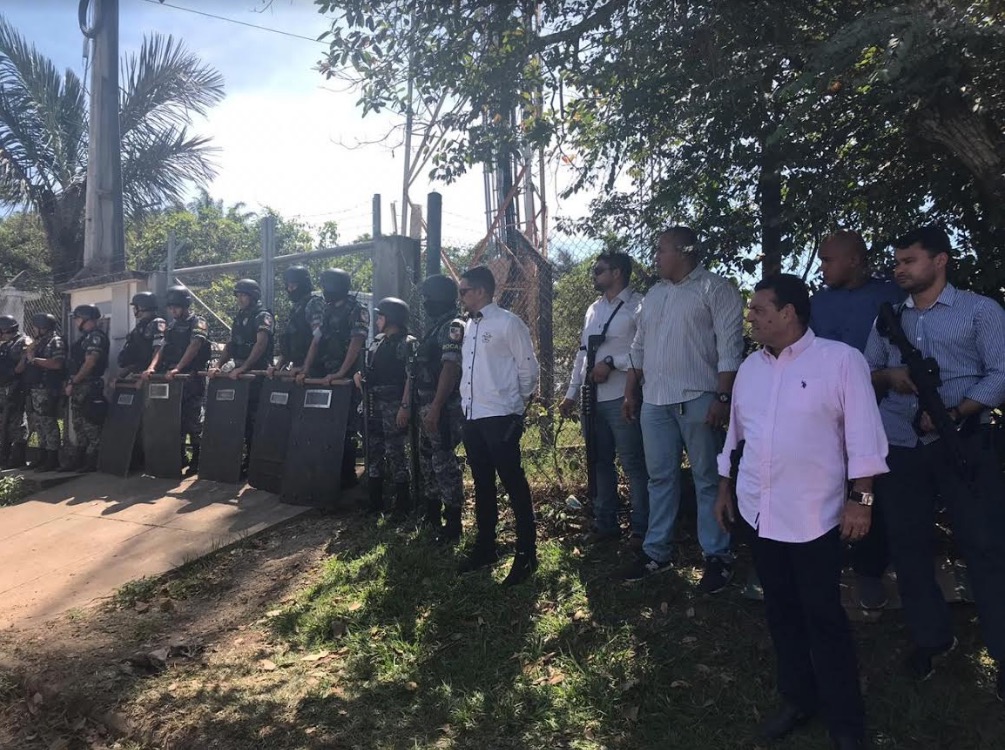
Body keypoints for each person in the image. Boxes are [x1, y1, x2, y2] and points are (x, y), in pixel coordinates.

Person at [715, 274, 887, 750]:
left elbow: (864, 438)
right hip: (759, 512)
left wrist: (861, 500)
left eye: (758, 309)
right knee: (780, 611)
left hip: (815, 516)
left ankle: (846, 722)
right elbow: (735, 437)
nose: (750, 316)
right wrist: (725, 488)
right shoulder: (751, 368)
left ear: (788, 312)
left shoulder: (841, 361)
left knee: (824, 616)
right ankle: (797, 698)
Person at [864, 226, 1005, 700]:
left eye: (909, 261)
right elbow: (865, 372)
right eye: (897, 261)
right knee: (908, 546)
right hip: (902, 444)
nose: (899, 269)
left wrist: (957, 410)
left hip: (964, 441)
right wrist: (891, 375)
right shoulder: (889, 318)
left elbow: (1002, 372)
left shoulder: (980, 311)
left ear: (940, 260)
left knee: (985, 545)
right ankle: (932, 639)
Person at [622, 226, 744, 592]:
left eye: (661, 250)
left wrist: (723, 398)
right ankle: (657, 552)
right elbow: (639, 347)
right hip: (655, 400)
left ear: (684, 251)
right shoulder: (654, 295)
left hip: (700, 398)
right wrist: (630, 392)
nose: (655, 257)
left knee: (708, 478)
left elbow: (730, 349)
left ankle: (718, 556)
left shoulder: (716, 289)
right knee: (660, 478)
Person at [810, 230, 906, 610]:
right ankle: (823, 564)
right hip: (823, 413)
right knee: (824, 487)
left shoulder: (891, 297)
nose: (822, 268)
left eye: (828, 260)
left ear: (853, 260)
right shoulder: (816, 304)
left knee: (871, 490)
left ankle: (869, 572)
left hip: (882, 411)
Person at [559, 251, 649, 548]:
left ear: (617, 272)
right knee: (599, 462)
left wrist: (612, 363)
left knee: (633, 463)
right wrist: (571, 394)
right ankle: (605, 523)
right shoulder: (593, 309)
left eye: (599, 270)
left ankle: (641, 529)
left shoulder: (639, 305)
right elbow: (583, 354)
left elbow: (645, 351)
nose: (594, 275)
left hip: (623, 396)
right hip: (592, 398)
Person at [458, 265, 540, 586]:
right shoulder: (468, 326)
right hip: (473, 415)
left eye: (464, 290)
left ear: (480, 291)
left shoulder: (508, 323)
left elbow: (528, 369)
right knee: (482, 482)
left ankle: (526, 553)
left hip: (500, 416)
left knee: (513, 482)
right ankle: (486, 546)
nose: (461, 296)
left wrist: (514, 406)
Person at [300, 268, 369, 487]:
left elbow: (356, 344)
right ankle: (327, 474)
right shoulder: (327, 310)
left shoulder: (356, 310)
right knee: (323, 424)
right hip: (326, 374)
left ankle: (348, 476)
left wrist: (341, 372)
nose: (324, 290)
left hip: (346, 378)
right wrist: (306, 368)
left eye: (327, 285)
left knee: (346, 426)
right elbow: (316, 341)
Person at [411, 274, 465, 543]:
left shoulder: (453, 326)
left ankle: (453, 522)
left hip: (441, 406)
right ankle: (432, 514)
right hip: (426, 403)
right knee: (427, 459)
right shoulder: (435, 327)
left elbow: (450, 368)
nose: (425, 303)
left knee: (443, 461)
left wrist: (436, 407)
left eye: (428, 298)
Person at [208, 278, 275, 475]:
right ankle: (237, 459)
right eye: (238, 295)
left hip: (256, 373)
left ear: (253, 296)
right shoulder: (240, 316)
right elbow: (231, 344)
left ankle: (255, 462)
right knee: (238, 417)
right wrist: (218, 365)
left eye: (243, 295)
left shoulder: (262, 315)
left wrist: (244, 367)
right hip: (239, 373)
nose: (239, 299)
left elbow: (261, 344)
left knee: (255, 419)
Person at [357, 297, 415, 517]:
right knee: (373, 450)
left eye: (381, 316)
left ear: (391, 318)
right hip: (374, 402)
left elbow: (410, 377)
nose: (377, 320)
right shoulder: (378, 341)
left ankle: (402, 504)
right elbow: (371, 369)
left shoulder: (406, 343)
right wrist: (360, 378)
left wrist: (405, 406)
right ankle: (375, 502)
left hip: (394, 404)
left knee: (396, 452)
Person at [148, 285, 212, 476]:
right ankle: (179, 457)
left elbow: (195, 345)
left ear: (185, 305)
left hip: (192, 378)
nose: (172, 311)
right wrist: (152, 367)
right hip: (174, 380)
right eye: (170, 307)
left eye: (175, 307)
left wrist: (179, 368)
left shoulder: (198, 322)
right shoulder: (172, 326)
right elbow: (162, 347)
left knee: (194, 421)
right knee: (175, 420)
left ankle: (198, 460)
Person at [64, 304, 110, 472]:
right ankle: (80, 458)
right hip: (79, 385)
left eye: (77, 318)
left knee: (91, 424)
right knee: (79, 425)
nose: (76, 322)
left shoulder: (95, 337)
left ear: (85, 319)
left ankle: (93, 461)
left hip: (88, 385)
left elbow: (90, 362)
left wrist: (74, 381)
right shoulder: (85, 337)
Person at [22, 313, 65, 471]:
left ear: (43, 327)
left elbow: (57, 364)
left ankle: (52, 458)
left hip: (47, 388)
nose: (34, 330)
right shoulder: (39, 342)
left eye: (36, 327)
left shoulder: (55, 341)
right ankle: (42, 456)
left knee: (48, 423)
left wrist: (34, 360)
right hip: (36, 388)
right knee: (39, 424)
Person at [269, 266, 325, 376]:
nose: (289, 290)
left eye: (293, 286)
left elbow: (318, 337)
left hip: (315, 368)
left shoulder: (314, 303)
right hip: (298, 368)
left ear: (303, 284)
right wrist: (278, 366)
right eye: (288, 286)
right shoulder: (297, 308)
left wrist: (306, 367)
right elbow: (290, 339)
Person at [0, 315, 30, 469]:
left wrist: (16, 374)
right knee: (4, 423)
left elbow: (22, 365)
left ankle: (17, 458)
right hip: (4, 388)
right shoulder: (7, 345)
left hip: (15, 388)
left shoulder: (23, 342)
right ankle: (5, 457)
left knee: (16, 424)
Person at [117, 292, 166, 378]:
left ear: (140, 307)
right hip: (138, 372)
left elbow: (158, 348)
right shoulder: (140, 326)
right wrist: (119, 376)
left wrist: (151, 368)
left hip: (150, 375)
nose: (134, 310)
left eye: (135, 307)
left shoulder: (157, 323)